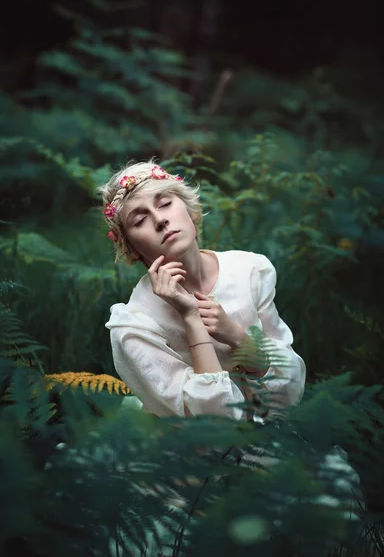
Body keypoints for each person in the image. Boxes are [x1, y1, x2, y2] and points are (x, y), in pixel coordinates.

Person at [98, 160, 306, 422]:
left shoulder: (249, 271)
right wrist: (190, 317)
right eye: (140, 220)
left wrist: (238, 338)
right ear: (132, 248)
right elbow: (214, 426)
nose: (160, 220)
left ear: (191, 211)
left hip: (274, 429)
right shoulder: (134, 325)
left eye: (165, 204)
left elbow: (290, 392)